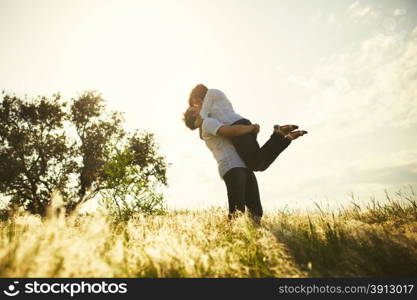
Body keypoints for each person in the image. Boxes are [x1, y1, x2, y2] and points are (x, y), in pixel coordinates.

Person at [187, 84, 307, 171]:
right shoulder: (209, 109)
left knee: (256, 163)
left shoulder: (211, 94)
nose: (197, 106)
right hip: (241, 125)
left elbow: (202, 123)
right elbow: (202, 133)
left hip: (237, 127)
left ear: (198, 97)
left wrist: (198, 113)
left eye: (196, 103)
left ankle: (280, 135)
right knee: (259, 162)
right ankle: (284, 136)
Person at [184, 106, 264, 223]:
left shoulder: (207, 124)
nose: (203, 106)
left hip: (243, 166)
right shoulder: (208, 123)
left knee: (256, 210)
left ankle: (255, 237)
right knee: (238, 211)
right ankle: (234, 237)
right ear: (195, 114)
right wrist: (252, 128)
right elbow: (232, 131)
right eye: (198, 108)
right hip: (233, 167)